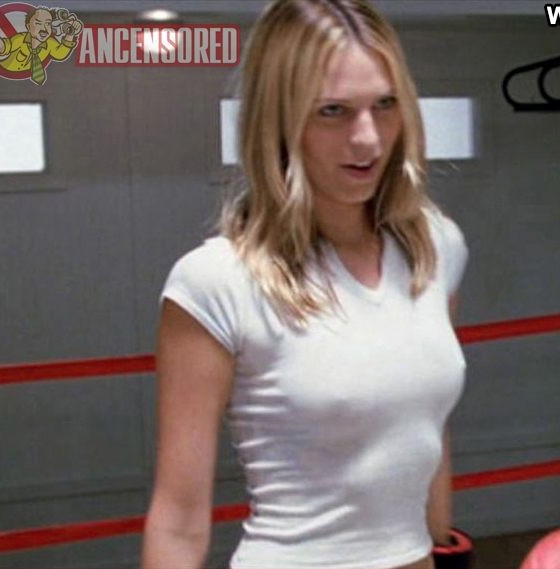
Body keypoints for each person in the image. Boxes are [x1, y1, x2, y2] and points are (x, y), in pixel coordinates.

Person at [140, 1, 469, 568]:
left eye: (385, 105)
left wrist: (444, 547)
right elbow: (178, 522)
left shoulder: (435, 249)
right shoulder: (217, 281)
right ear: (281, 120)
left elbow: (425, 427)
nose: (367, 139)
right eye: (333, 111)